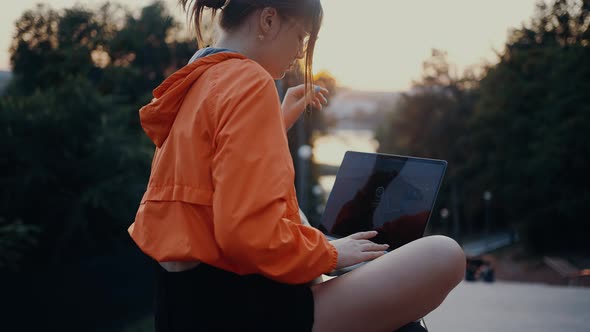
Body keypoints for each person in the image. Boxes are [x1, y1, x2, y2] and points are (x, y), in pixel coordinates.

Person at [127, 0, 465, 331]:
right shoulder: (250, 80)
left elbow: (207, 176)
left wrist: (276, 121)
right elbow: (244, 233)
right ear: (268, 21)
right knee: (443, 255)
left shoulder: (198, 79)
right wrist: (329, 253)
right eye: (301, 37)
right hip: (244, 309)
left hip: (186, 306)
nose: (301, 53)